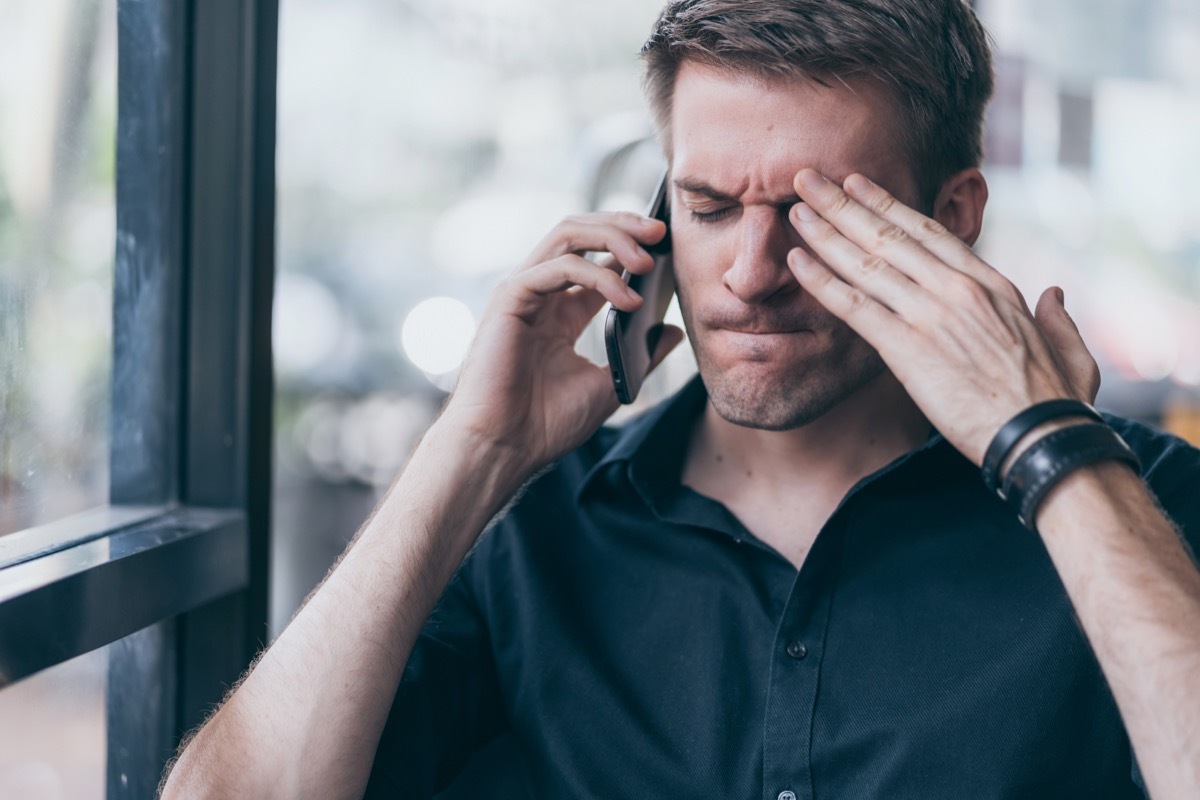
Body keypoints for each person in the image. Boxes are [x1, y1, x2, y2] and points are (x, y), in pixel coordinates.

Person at [162, 1, 1200, 798]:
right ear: (657, 212)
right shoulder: (534, 532)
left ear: (952, 216)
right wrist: (471, 446)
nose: (750, 272)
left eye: (817, 215)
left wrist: (1051, 453)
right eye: (708, 207)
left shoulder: (1143, 505)